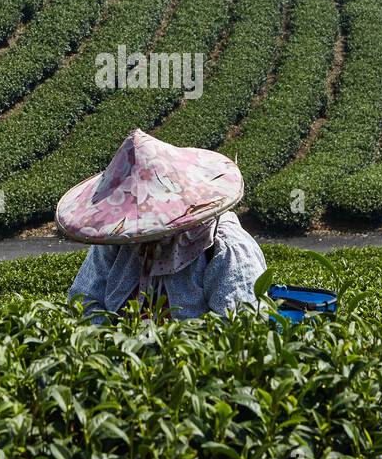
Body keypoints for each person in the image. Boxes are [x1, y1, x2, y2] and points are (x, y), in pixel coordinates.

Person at [57, 129, 267, 321]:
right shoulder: (119, 236)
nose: (141, 231)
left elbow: (240, 327)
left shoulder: (225, 248)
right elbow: (84, 301)